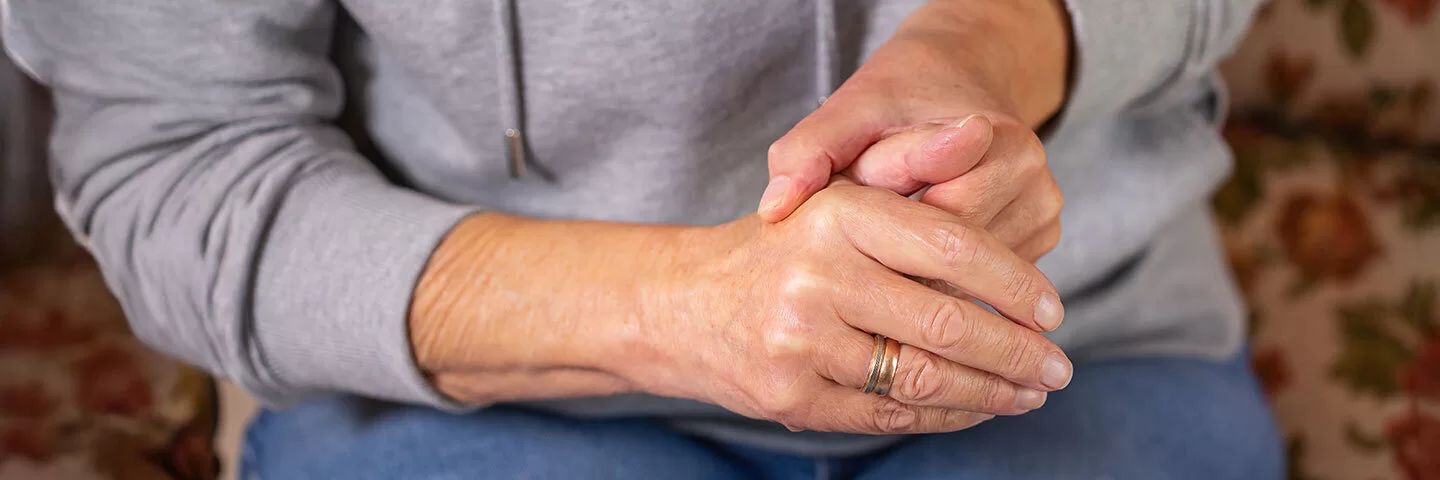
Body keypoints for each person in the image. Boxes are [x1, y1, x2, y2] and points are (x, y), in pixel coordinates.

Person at [2, 0, 1284, 478]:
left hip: (1077, 344)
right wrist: (685, 306)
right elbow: (178, 163)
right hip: (481, 403)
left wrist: (991, 48)